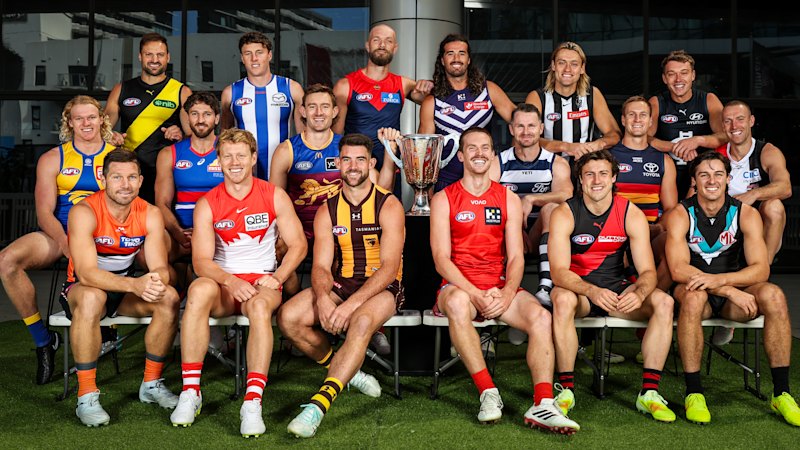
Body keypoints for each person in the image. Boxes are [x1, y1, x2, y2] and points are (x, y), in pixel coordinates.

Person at [428, 127, 579, 433]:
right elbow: (441, 260)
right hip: (459, 286)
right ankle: (488, 392)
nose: (479, 153)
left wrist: (508, 292)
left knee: (540, 316)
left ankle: (543, 403)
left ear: (493, 155)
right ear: (460, 156)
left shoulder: (508, 198)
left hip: (499, 285)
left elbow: (516, 257)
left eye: (485, 148)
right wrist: (475, 293)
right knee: (457, 303)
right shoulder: (444, 198)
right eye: (472, 148)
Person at [169, 129, 306, 437]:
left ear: (253, 158)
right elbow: (201, 261)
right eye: (227, 155)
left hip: (262, 283)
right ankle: (191, 391)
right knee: (198, 289)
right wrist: (229, 281)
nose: (234, 162)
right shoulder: (208, 203)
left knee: (258, 307)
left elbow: (298, 244)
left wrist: (277, 278)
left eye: (241, 155)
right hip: (224, 283)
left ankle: (252, 401)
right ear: (218, 161)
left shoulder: (273, 194)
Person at [279, 134, 405, 438]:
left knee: (360, 323)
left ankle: (317, 407)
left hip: (384, 288)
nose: (353, 166)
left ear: (371, 163)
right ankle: (351, 372)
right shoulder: (328, 209)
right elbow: (321, 266)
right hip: (342, 282)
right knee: (288, 318)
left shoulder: (389, 205)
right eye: (346, 159)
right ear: (337, 163)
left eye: (360, 159)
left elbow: (389, 269)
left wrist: (349, 306)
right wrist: (324, 298)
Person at [664, 151, 800, 427]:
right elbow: (678, 269)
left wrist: (722, 283)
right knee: (692, 298)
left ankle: (782, 392)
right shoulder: (680, 213)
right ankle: (694, 393)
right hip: (697, 293)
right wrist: (727, 289)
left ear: (728, 179)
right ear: (694, 180)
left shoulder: (746, 214)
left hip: (732, 296)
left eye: (718, 174)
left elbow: (761, 269)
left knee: (773, 294)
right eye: (703, 174)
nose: (711, 180)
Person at [548, 150, 677, 423]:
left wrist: (640, 292)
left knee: (664, 303)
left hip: (617, 293)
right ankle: (566, 390)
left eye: (603, 174)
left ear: (614, 177)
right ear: (580, 180)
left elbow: (647, 272)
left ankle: (649, 393)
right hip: (580, 293)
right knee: (561, 299)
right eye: (589, 174)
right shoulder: (565, 213)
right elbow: (559, 273)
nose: (597, 180)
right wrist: (592, 291)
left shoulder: (630, 213)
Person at [0, 96, 115, 385]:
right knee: (7, 261)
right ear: (69, 123)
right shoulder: (53, 158)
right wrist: (66, 242)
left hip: (105, 235)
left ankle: (115, 328)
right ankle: (43, 340)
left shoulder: (116, 156)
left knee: (157, 254)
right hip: (60, 233)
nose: (86, 123)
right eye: (79, 118)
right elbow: (44, 213)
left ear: (101, 119)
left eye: (91, 117)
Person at [62, 148, 181, 426]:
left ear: (141, 181)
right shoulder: (84, 211)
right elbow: (87, 273)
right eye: (117, 177)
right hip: (82, 289)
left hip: (124, 291)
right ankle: (87, 395)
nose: (125, 184)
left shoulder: (150, 213)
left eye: (131, 177)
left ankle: (151, 384)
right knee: (92, 297)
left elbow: (160, 268)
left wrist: (155, 282)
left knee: (170, 297)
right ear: (103, 178)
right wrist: (135, 284)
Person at [489, 103, 572, 344]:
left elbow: (566, 194)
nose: (526, 131)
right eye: (521, 126)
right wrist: (514, 226)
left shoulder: (555, 163)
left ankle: (545, 287)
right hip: (506, 239)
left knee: (551, 209)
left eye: (532, 126)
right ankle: (490, 331)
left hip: (540, 236)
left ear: (541, 128)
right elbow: (487, 201)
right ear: (512, 129)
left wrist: (532, 199)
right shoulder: (499, 162)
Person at [419, 34, 515, 191]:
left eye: (461, 53)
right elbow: (425, 152)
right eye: (450, 53)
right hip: (446, 182)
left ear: (469, 59)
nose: (456, 58)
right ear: (442, 61)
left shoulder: (489, 90)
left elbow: (520, 122)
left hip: (484, 180)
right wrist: (426, 191)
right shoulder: (432, 101)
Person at [105, 33, 192, 203]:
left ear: (168, 57)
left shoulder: (181, 91)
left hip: (166, 172)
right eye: (149, 54)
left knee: (162, 223)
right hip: (128, 172)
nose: (155, 59)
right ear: (140, 56)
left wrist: (181, 132)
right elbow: (101, 129)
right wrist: (110, 135)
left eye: (160, 55)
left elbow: (194, 136)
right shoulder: (122, 89)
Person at [333, 23, 432, 170]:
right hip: (356, 167)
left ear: (395, 48)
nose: (382, 45)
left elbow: (436, 102)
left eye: (388, 41)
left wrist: (429, 86)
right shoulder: (345, 85)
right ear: (367, 46)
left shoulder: (403, 84)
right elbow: (335, 136)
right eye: (376, 40)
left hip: (391, 164)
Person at [610, 95, 677, 290]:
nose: (637, 120)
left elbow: (671, 209)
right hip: (615, 232)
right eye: (632, 115)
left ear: (650, 122)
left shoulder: (664, 161)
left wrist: (656, 228)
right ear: (623, 120)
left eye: (643, 115)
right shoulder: (608, 156)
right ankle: (629, 287)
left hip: (650, 232)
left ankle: (653, 295)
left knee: (674, 242)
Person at [221, 31, 304, 180]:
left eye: (259, 52)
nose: (254, 58)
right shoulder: (230, 93)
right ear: (242, 58)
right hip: (245, 174)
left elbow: (304, 139)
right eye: (248, 53)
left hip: (284, 171)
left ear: (269, 55)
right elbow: (225, 139)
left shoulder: (291, 88)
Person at [716, 100, 791, 264]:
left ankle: (764, 269)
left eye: (740, 119)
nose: (734, 126)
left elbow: (785, 187)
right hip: (724, 222)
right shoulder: (716, 156)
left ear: (751, 121)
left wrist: (753, 194)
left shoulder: (767, 151)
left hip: (757, 225)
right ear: (722, 126)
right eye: (728, 121)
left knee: (774, 206)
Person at [648, 49, 727, 199]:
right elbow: (644, 138)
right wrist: (675, 147)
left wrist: (697, 141)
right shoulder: (656, 103)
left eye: (684, 73)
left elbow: (724, 135)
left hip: (702, 175)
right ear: (664, 78)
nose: (678, 79)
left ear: (693, 75)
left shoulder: (709, 100)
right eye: (672, 74)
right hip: (665, 173)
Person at [155, 91, 224, 263]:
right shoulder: (169, 153)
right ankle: (176, 284)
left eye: (207, 114)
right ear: (187, 118)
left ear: (216, 119)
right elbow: (161, 203)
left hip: (221, 232)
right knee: (150, 252)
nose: (200, 120)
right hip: (182, 232)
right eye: (195, 114)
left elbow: (242, 198)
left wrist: (208, 234)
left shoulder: (229, 151)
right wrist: (179, 233)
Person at [525, 41, 621, 161]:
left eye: (574, 64)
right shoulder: (537, 97)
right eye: (562, 63)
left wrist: (598, 144)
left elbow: (614, 134)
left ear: (582, 68)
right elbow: (525, 138)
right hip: (547, 168)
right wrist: (566, 147)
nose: (567, 69)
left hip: (584, 168)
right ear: (553, 65)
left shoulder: (592, 95)